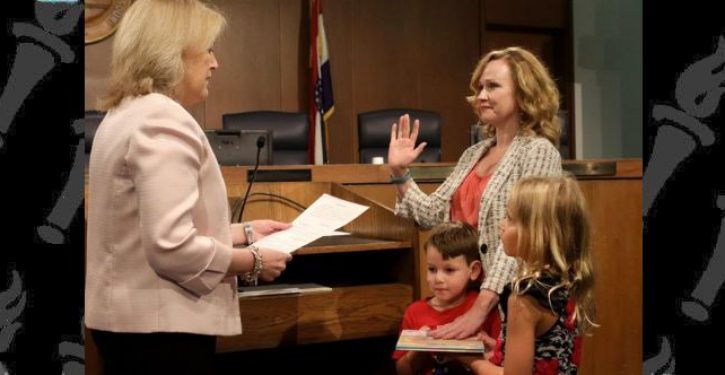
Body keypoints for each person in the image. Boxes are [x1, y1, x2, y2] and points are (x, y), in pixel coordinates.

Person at [85, 1, 292, 374]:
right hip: (160, 331)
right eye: (209, 49)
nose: (216, 63)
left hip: (130, 324)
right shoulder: (162, 119)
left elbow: (139, 228)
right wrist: (254, 261)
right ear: (174, 53)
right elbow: (171, 245)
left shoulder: (125, 113)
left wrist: (243, 232)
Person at [388, 46, 563, 341]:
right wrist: (399, 172)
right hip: (464, 297)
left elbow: (526, 240)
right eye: (479, 87)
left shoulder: (538, 152)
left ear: (523, 92)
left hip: (508, 301)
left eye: (492, 86)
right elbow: (431, 215)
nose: (480, 95)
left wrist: (481, 309)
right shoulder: (474, 153)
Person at [466, 176, 597, 374]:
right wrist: (498, 347)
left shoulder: (524, 299)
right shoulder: (569, 281)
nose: (502, 225)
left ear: (537, 232)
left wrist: (471, 361)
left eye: (509, 218)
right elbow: (548, 350)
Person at [393, 222, 500, 375]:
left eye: (449, 270)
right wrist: (419, 349)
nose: (438, 278)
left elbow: (502, 362)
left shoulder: (484, 310)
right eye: (432, 269)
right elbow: (402, 370)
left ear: (474, 271)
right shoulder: (414, 311)